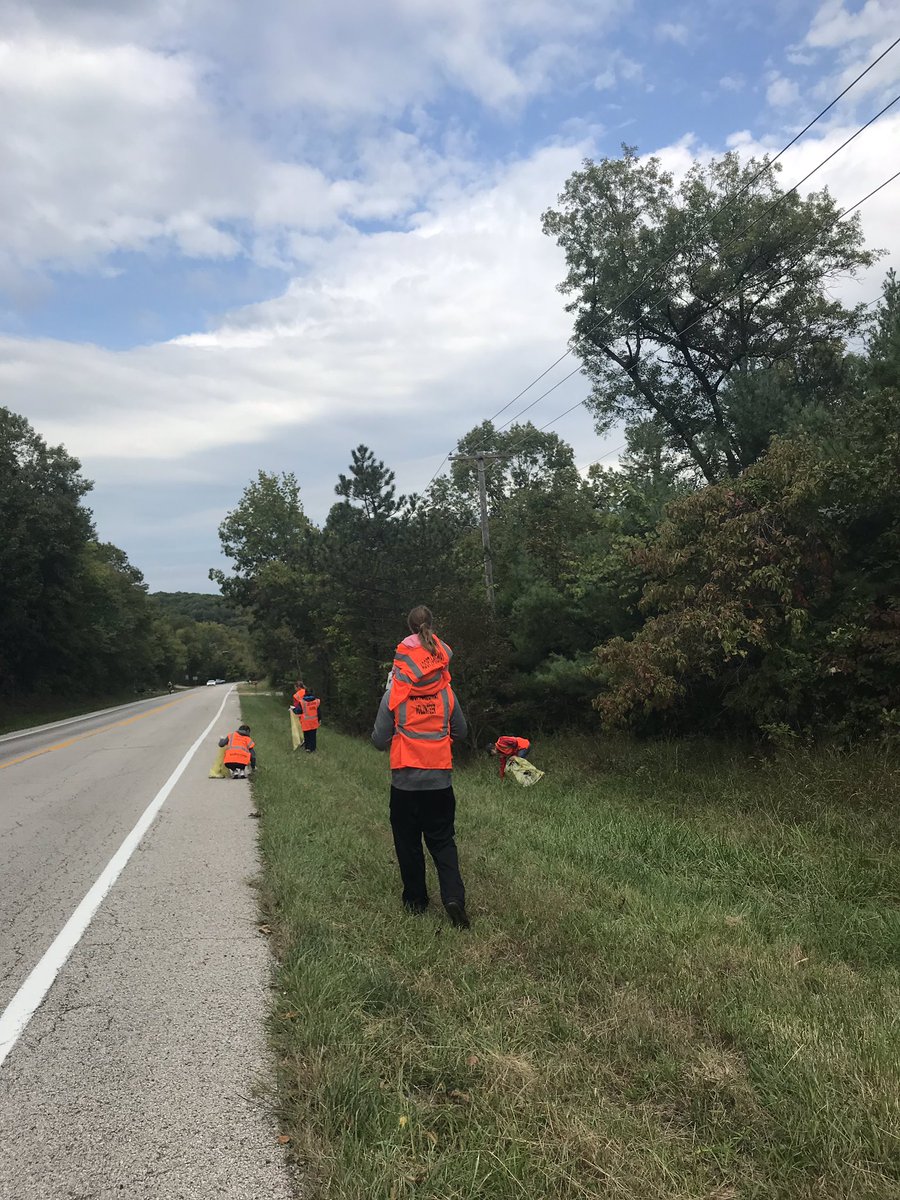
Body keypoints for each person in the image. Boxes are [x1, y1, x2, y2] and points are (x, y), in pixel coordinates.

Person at [372, 605, 470, 929]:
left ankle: (415, 902)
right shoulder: (446, 692)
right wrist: (440, 739)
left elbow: (377, 738)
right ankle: (453, 898)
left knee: (408, 843)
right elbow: (462, 732)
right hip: (440, 782)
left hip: (405, 784)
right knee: (443, 841)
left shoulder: (394, 695)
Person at [297, 685, 321, 753]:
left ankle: (307, 748)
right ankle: (312, 748)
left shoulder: (302, 702)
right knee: (313, 736)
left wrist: (293, 710)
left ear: (305, 693)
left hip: (305, 722)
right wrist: (319, 719)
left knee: (306, 735)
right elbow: (318, 711)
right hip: (314, 722)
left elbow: (299, 711)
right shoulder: (316, 701)